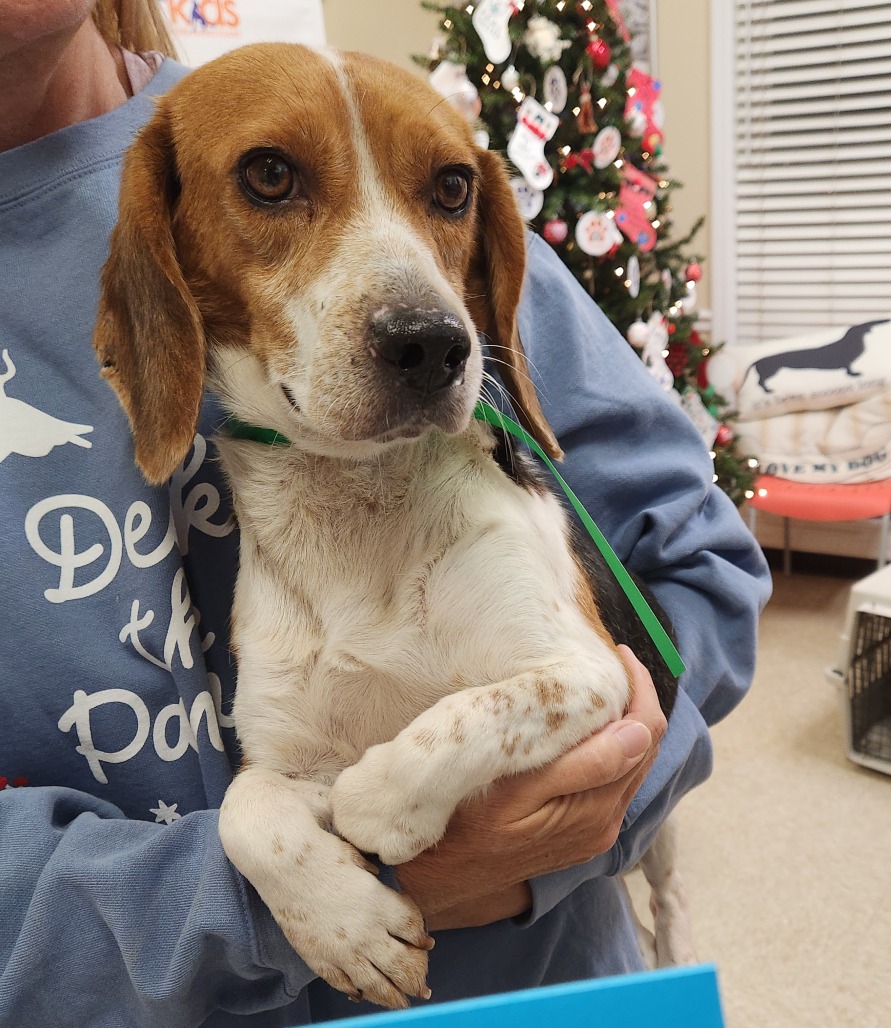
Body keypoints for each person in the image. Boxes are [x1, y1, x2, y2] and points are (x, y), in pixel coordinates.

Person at [0, 2, 771, 1025]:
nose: (429, 324)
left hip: (540, 991)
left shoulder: (329, 124)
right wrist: (264, 904)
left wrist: (596, 800)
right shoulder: (189, 159)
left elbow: (696, 572)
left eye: (445, 193)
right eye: (272, 180)